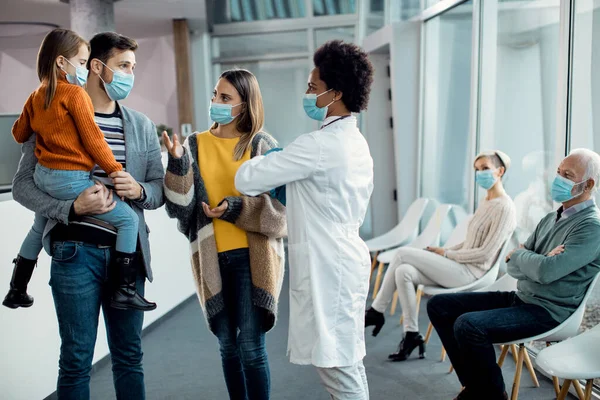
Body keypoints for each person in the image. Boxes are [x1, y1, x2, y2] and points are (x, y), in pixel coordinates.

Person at [11, 32, 164, 399]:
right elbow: (21, 187)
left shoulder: (141, 125)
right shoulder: (51, 111)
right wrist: (70, 208)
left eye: (133, 67)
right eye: (124, 66)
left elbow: (158, 189)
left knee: (129, 356)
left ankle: (18, 285)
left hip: (128, 257)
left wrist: (139, 190)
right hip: (73, 253)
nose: (130, 74)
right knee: (77, 360)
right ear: (96, 66)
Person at [234, 40, 375, 400]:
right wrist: (291, 189)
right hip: (343, 256)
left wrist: (270, 160)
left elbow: (246, 180)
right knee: (346, 360)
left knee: (336, 365)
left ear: (336, 93)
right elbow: (323, 190)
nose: (306, 93)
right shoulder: (353, 140)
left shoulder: (317, 146)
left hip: (328, 263)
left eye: (312, 87)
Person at [427, 148, 600, 400]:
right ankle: (477, 389)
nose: (558, 179)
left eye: (568, 175)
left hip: (549, 312)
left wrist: (527, 259)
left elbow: (544, 271)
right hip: (523, 298)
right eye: (558, 172)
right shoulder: (551, 218)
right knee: (440, 306)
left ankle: (490, 395)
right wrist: (533, 261)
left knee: (468, 326)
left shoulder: (591, 227)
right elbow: (515, 266)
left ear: (589, 184)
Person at [3, 28, 154, 312]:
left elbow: (19, 132)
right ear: (62, 62)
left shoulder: (35, 97)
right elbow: (93, 140)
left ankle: (16, 288)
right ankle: (125, 290)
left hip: (44, 176)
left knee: (38, 227)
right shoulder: (75, 95)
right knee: (128, 221)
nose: (84, 69)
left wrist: (45, 123)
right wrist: (114, 171)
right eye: (82, 62)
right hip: (70, 181)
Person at [163, 68, 286, 400]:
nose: (216, 102)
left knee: (249, 345)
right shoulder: (193, 144)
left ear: (244, 105)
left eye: (225, 97)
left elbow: (280, 216)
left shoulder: (263, 145)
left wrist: (233, 209)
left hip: (252, 258)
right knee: (228, 346)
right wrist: (176, 164)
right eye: (215, 95)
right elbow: (179, 210)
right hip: (211, 259)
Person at [365, 150, 517, 361]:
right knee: (404, 271)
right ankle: (411, 334)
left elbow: (485, 254)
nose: (479, 174)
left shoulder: (505, 207)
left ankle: (376, 310)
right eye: (477, 169)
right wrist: (448, 251)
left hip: (472, 273)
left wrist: (447, 254)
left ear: (500, 171)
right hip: (460, 266)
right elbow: (472, 242)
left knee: (401, 254)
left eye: (485, 168)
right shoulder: (487, 201)